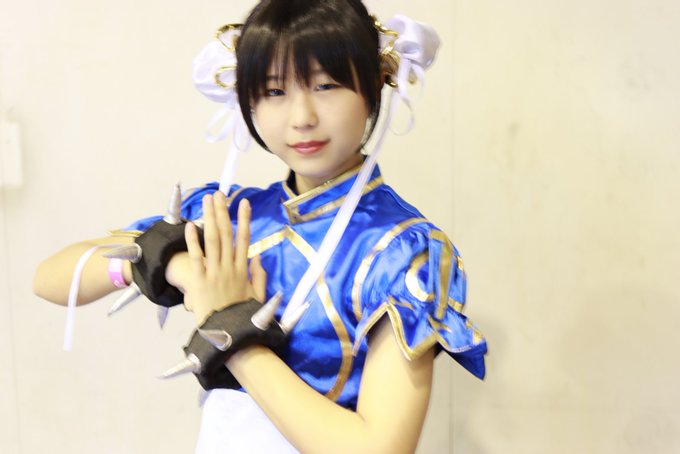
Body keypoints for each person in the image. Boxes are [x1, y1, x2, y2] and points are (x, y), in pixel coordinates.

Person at [33, 0, 487, 452]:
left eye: (326, 85)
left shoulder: (404, 250)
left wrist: (229, 325)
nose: (302, 117)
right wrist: (177, 268)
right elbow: (50, 277)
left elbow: (380, 449)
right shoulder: (228, 215)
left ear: (372, 87)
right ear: (247, 99)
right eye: (274, 91)